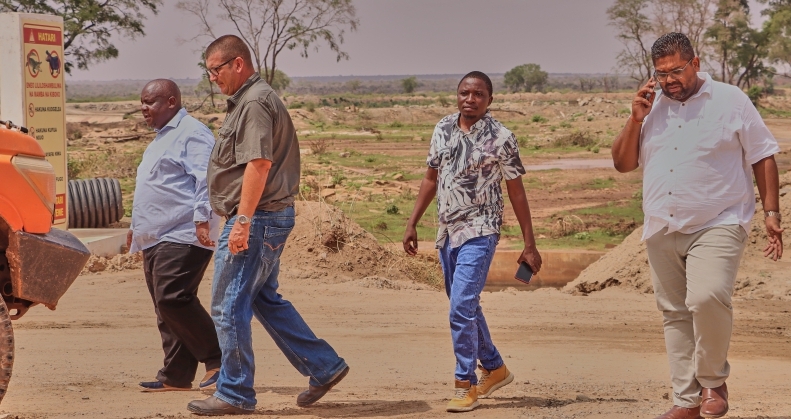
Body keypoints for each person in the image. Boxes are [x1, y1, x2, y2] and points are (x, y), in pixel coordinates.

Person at [612, 33, 783, 419]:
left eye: (677, 71)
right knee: (674, 312)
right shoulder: (650, 107)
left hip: (719, 219)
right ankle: (686, 401)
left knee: (706, 297)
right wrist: (635, 119)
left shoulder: (730, 100)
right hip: (661, 223)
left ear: (696, 62)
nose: (669, 80)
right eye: (661, 74)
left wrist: (772, 214)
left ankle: (713, 380)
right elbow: (623, 164)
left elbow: (763, 154)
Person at [187, 35, 349, 416]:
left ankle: (235, 392)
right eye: (209, 70)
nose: (212, 77)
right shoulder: (248, 101)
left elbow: (258, 165)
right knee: (262, 299)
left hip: (257, 218)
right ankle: (323, 366)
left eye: (216, 69)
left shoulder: (255, 103)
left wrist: (241, 221)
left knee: (227, 306)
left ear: (238, 64)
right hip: (264, 217)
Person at [403, 71, 542, 413]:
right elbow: (431, 177)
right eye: (465, 92)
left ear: (489, 100)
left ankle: (465, 384)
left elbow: (516, 191)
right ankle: (495, 368)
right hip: (446, 230)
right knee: (462, 304)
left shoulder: (502, 137)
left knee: (461, 306)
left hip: (481, 230)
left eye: (478, 94)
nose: (470, 99)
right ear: (457, 95)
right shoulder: (443, 129)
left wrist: (530, 242)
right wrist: (412, 223)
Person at [128, 79, 222, 393]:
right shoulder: (161, 138)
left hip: (183, 232)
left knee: (173, 298)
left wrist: (201, 219)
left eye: (150, 102)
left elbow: (206, 180)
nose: (144, 108)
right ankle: (177, 375)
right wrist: (136, 227)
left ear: (171, 102)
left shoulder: (192, 133)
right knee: (163, 307)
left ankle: (219, 360)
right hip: (155, 235)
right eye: (142, 102)